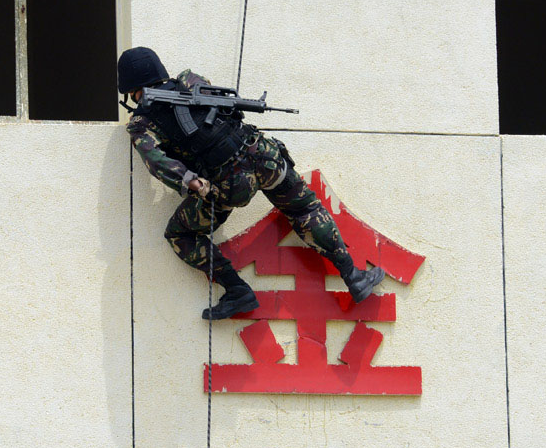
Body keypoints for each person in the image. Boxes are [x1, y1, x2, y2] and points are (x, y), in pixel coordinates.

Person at [118, 46, 384, 320]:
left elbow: (157, 162)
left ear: (129, 88)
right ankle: (353, 275)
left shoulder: (141, 122)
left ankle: (236, 290)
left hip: (229, 182)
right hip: (263, 155)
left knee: (180, 234)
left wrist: (191, 182)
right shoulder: (189, 79)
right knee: (305, 210)